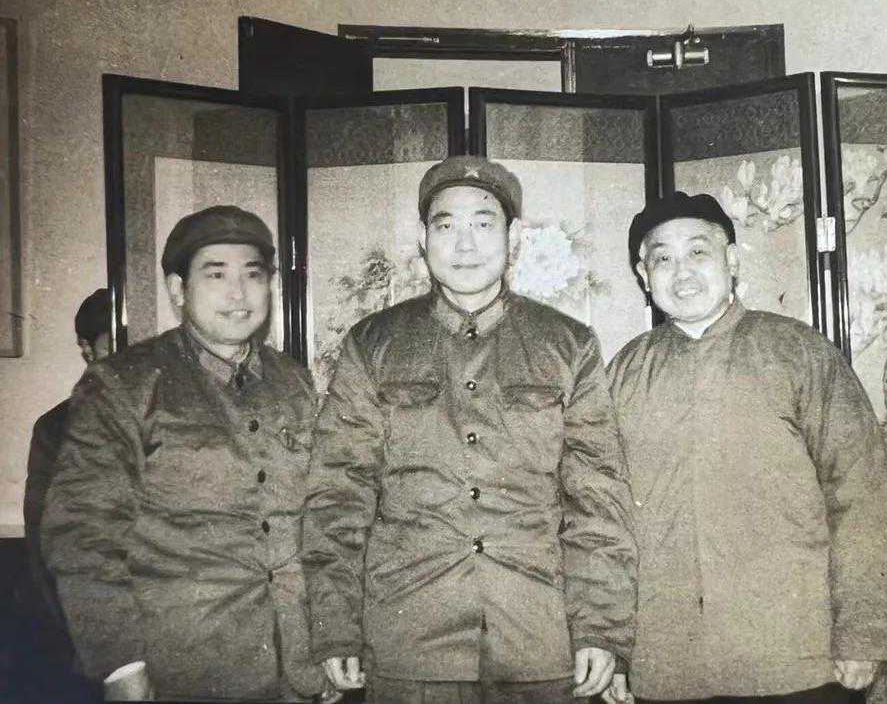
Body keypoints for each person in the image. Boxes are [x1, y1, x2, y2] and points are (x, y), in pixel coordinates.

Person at [302, 155, 638, 704]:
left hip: (538, 639)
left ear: (513, 238)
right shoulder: (373, 344)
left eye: (484, 223)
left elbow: (597, 499)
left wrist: (601, 628)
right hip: (410, 640)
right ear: (423, 239)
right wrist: (335, 625)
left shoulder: (568, 345)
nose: (465, 244)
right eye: (446, 226)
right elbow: (339, 493)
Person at [604, 192, 887, 704]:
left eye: (698, 252)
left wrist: (863, 634)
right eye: (663, 258)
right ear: (643, 274)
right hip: (668, 660)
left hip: (796, 656)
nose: (682, 272)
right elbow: (601, 519)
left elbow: (862, 496)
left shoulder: (799, 353)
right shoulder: (625, 373)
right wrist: (611, 650)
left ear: (732, 260)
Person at [40, 206, 328, 701]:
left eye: (253, 275)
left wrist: (327, 644)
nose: (238, 293)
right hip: (183, 670)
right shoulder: (124, 386)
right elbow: (82, 534)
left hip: (297, 670)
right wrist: (119, 667)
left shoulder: (294, 382)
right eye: (216, 275)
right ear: (178, 290)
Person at [6, 288, 112, 703]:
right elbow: (44, 545)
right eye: (112, 347)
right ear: (87, 350)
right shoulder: (56, 429)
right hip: (73, 633)